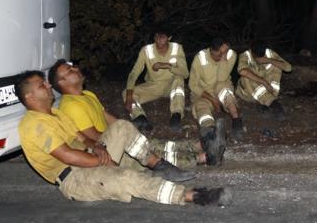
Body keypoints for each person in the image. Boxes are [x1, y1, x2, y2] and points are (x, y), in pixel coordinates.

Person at [14, 70, 232, 206]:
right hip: (74, 178)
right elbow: (68, 156)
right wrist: (102, 159)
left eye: (46, 82)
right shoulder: (34, 124)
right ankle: (193, 196)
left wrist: (98, 147)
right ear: (29, 97)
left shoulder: (55, 113)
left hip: (89, 158)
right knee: (127, 176)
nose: (48, 85)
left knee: (122, 127)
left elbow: (81, 137)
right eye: (42, 85)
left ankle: (162, 164)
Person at [49, 59, 209, 181]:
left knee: (146, 143)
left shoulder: (88, 95)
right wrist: (124, 137)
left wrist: (130, 132)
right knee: (148, 148)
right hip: (100, 150)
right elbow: (92, 138)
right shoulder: (70, 105)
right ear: (62, 82)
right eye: (69, 70)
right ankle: (200, 155)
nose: (75, 68)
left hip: (110, 141)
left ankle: (202, 151)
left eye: (72, 67)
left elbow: (108, 118)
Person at [123, 30, 189, 133]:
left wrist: (166, 65)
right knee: (127, 92)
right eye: (157, 36)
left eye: (162, 36)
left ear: (169, 37)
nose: (159, 39)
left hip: (171, 86)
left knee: (179, 77)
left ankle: (176, 115)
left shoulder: (177, 48)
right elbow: (134, 72)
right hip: (153, 86)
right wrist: (128, 95)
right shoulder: (146, 50)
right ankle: (140, 118)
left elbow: (185, 73)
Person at [189, 37, 244, 151]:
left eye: (220, 55)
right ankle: (210, 131)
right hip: (205, 93)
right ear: (210, 50)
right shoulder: (200, 58)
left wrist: (223, 57)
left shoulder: (231, 55)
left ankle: (236, 120)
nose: (217, 58)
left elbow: (222, 77)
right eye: (215, 55)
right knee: (201, 107)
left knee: (226, 92)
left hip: (221, 85)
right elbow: (192, 85)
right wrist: (213, 100)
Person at [235, 41, 293, 119]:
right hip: (249, 94)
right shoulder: (245, 55)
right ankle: (273, 103)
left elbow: (289, 68)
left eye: (261, 55)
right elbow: (242, 71)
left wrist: (269, 60)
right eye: (256, 56)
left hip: (268, 91)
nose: (259, 58)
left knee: (277, 65)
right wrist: (264, 82)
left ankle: (269, 101)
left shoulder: (269, 53)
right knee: (246, 76)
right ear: (251, 51)